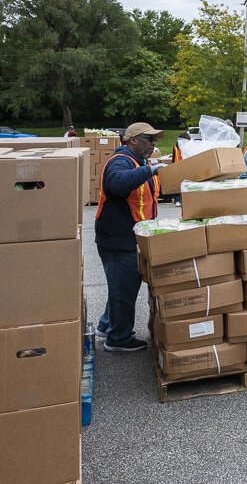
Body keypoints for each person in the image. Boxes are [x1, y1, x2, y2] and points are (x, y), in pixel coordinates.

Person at [94, 123, 167, 352]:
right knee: (124, 289)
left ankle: (106, 325)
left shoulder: (138, 162)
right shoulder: (121, 160)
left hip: (128, 237)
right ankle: (118, 339)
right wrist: (150, 170)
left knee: (121, 286)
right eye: (149, 139)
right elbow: (116, 184)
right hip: (118, 239)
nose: (154, 144)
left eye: (155, 140)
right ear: (133, 139)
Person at [171, 131, 190, 207]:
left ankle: (177, 200)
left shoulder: (175, 145)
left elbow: (173, 157)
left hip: (176, 165)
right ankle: (183, 200)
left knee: (177, 184)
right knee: (185, 184)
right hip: (184, 166)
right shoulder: (187, 145)